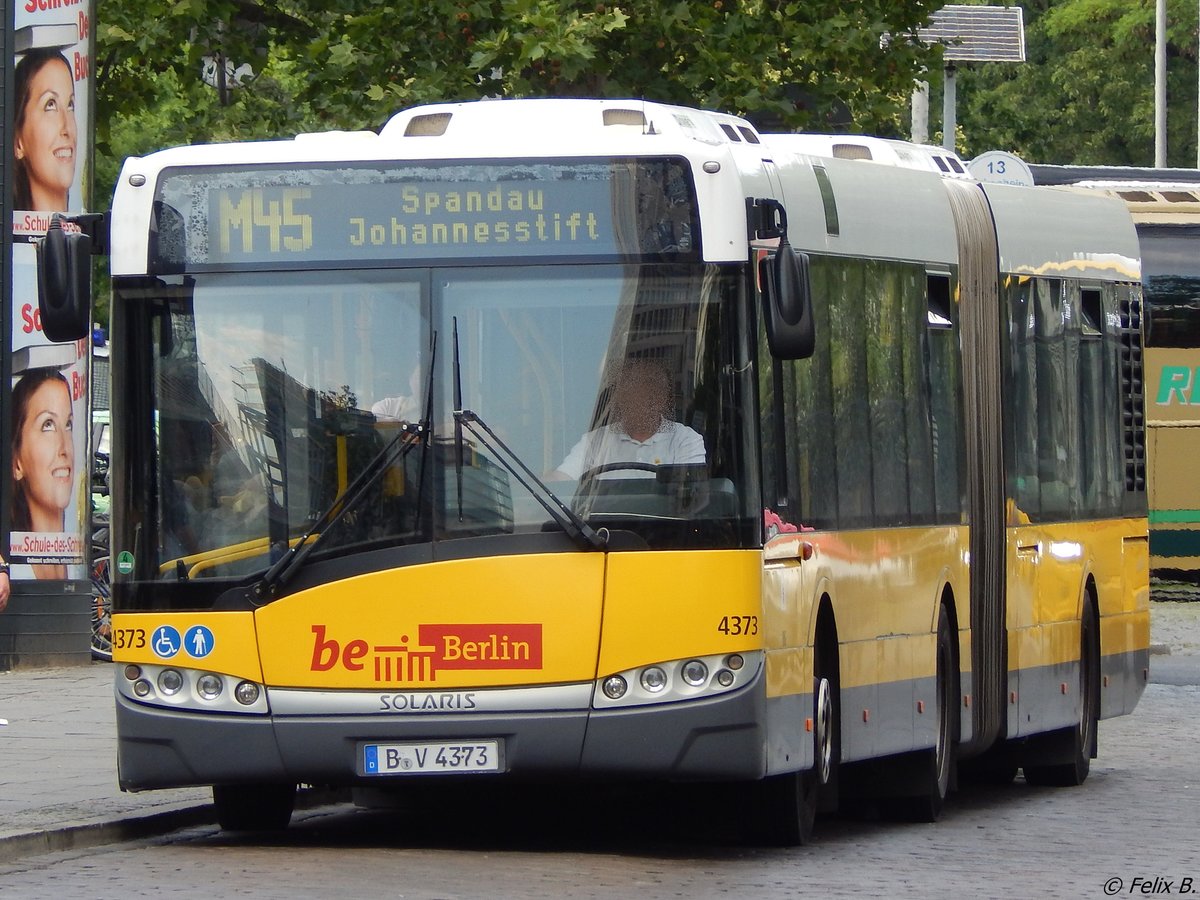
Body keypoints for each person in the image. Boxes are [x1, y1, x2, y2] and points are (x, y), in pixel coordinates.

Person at [552, 359, 705, 480]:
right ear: (621, 397)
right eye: (637, 388)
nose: (646, 396)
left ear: (665, 398)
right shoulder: (596, 441)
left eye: (654, 389)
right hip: (599, 520)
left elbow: (689, 494)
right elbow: (563, 478)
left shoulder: (686, 439)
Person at [11, 368, 75, 580]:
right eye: (48, 425)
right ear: (16, 463)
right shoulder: (11, 575)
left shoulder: (79, 572)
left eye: (68, 424)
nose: (63, 447)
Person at [13, 48, 77, 212]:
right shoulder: (10, 235)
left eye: (70, 105)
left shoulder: (89, 233)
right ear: (18, 143)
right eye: (50, 105)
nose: (66, 127)